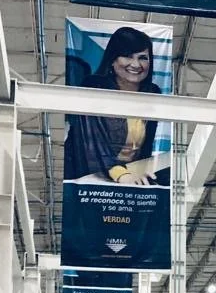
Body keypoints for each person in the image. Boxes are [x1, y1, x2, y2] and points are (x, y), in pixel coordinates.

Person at [63, 26, 169, 186]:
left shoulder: (152, 93)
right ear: (112, 59)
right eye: (127, 56)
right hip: (89, 172)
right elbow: (92, 141)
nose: (136, 64)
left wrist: (140, 171)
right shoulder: (94, 86)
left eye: (143, 57)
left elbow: (145, 147)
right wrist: (120, 174)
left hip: (128, 176)